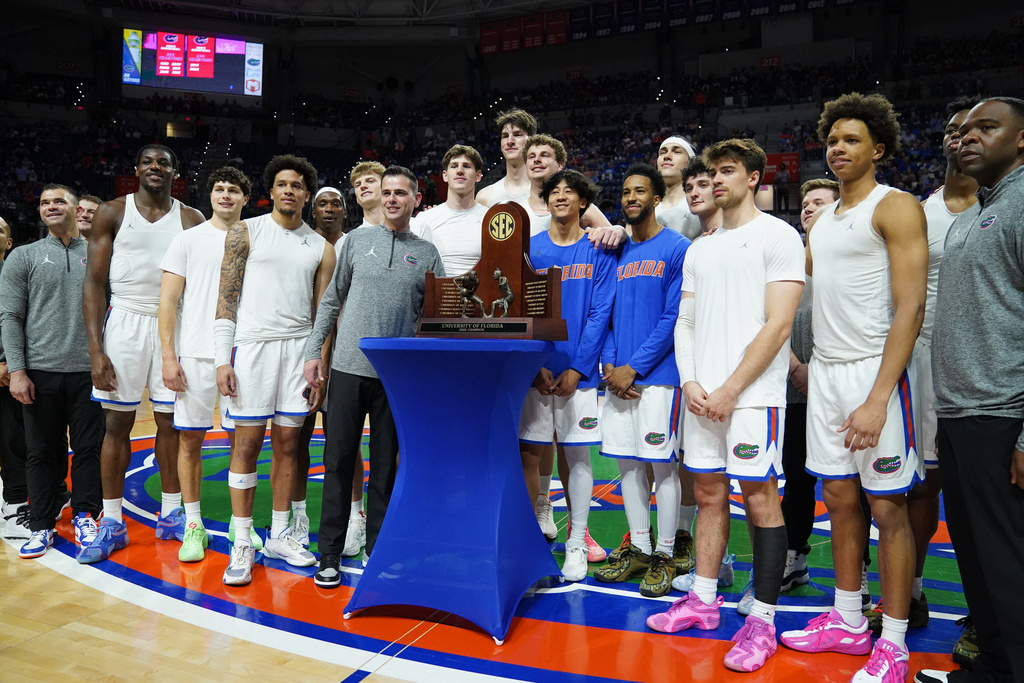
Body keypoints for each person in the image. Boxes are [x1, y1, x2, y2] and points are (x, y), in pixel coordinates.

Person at [779, 93, 928, 683]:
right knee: (839, 501)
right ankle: (846, 620)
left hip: (876, 374)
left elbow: (910, 307)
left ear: (879, 149)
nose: (838, 148)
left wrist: (876, 398)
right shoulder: (824, 223)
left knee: (887, 507)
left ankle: (892, 644)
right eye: (832, 140)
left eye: (851, 140)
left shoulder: (896, 207)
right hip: (828, 375)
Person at [647, 138, 804, 673]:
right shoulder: (700, 248)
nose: (715, 180)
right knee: (709, 494)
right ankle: (704, 600)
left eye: (727, 171)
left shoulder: (779, 235)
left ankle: (762, 619)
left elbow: (778, 324)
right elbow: (684, 323)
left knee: (760, 499)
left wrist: (733, 388)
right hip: (702, 395)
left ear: (755, 177)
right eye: (711, 172)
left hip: (753, 396)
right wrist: (691, 382)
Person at [915, 96, 1024, 683]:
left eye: (987, 127)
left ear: (1022, 138)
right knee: (979, 559)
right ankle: (993, 669)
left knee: (1009, 561)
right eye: (959, 131)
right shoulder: (970, 215)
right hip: (959, 413)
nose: (966, 138)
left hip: (1003, 412)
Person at [867, 97, 982, 638]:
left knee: (980, 492)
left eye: (976, 129)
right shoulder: (919, 208)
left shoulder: (1003, 204)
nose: (961, 137)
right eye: (953, 129)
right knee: (920, 485)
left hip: (987, 363)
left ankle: (989, 612)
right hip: (920, 358)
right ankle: (908, 594)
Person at [303, 166, 444, 588]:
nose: (393, 199)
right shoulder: (355, 242)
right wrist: (314, 352)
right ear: (380, 197)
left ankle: (378, 549)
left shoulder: (428, 253)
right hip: (347, 368)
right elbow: (331, 301)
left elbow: (430, 319)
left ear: (415, 199)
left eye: (401, 193)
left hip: (396, 377)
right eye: (387, 192)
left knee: (385, 467)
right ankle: (328, 552)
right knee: (337, 462)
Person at [80, 144, 206, 563]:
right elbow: (94, 284)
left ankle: (172, 514)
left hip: (176, 326)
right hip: (127, 322)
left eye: (164, 162)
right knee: (117, 424)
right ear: (136, 169)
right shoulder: (113, 212)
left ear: (176, 171)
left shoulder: (191, 218)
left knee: (174, 423)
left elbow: (203, 286)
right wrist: (96, 349)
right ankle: (112, 521)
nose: (156, 167)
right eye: (148, 161)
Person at [214, 154, 335, 586]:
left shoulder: (322, 248)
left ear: (307, 194)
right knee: (245, 446)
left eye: (297, 185)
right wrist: (220, 359)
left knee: (289, 445)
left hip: (298, 354)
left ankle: (281, 534)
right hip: (252, 350)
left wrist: (318, 363)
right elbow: (225, 299)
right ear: (271, 190)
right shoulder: (245, 231)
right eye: (282, 184)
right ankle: (242, 542)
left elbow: (324, 312)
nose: (289, 190)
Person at [593, 163, 690, 598]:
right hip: (617, 378)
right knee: (627, 464)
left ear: (655, 199)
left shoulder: (677, 248)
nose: (631, 198)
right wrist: (612, 367)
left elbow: (674, 318)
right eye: (626, 192)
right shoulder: (616, 254)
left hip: (659, 378)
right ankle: (640, 548)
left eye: (640, 192)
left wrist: (636, 367)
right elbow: (607, 316)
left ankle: (666, 555)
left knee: (662, 465)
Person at [519, 169, 615, 581]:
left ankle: (576, 540)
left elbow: (599, 313)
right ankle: (526, 543)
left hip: (580, 374)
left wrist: (579, 367)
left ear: (582, 202)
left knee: (577, 456)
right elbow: (519, 310)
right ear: (546, 201)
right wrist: (534, 363)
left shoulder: (597, 249)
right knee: (528, 455)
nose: (560, 197)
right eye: (553, 192)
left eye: (569, 192)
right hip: (536, 372)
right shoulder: (529, 250)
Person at [0, 185, 104, 559]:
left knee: (89, 449)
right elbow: (10, 318)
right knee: (40, 451)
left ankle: (86, 517)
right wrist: (17, 370)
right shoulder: (23, 257)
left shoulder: (99, 255)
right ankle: (42, 523)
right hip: (39, 373)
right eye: (44, 202)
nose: (51, 207)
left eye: (59, 201)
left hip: (89, 371)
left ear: (77, 209)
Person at [157, 166, 250, 563]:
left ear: (246, 198)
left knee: (241, 442)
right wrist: (168, 356)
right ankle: (192, 524)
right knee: (190, 439)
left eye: (234, 190)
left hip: (243, 353)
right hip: (194, 351)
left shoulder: (256, 236)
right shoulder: (187, 239)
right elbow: (167, 302)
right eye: (219, 188)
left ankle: (237, 523)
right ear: (209, 195)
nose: (225, 195)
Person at [779, 178, 839, 593]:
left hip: (841, 389)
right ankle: (793, 557)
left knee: (847, 486)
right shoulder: (786, 261)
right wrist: (797, 367)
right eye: (804, 203)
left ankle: (858, 578)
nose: (808, 208)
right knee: (796, 479)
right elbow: (768, 322)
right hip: (794, 389)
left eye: (819, 201)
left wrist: (816, 370)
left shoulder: (856, 257)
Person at [295, 185, 350, 552]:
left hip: (341, 354)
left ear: (345, 211)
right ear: (313, 211)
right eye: (322, 204)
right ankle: (297, 515)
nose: (329, 209)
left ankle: (353, 518)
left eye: (336, 204)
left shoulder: (355, 243)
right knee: (297, 438)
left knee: (340, 443)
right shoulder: (299, 243)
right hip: (301, 349)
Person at [412, 144, 488, 276]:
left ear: (478, 175)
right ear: (445, 176)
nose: (460, 170)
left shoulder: (491, 218)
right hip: (438, 295)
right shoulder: (425, 220)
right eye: (454, 166)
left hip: (479, 294)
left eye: (466, 166)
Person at [0, 215, 30, 541]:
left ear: (9, 243)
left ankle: (14, 506)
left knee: (14, 442)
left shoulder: (17, 276)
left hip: (7, 373)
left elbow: (24, 323)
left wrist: (10, 361)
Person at [476, 109, 536, 209]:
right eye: (505, 136)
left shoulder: (549, 193)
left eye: (517, 135)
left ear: (531, 140)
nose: (510, 141)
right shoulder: (485, 198)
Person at [655, 136, 703, 240]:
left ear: (691, 162)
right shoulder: (646, 204)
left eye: (676, 152)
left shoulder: (704, 198)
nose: (667, 156)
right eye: (663, 152)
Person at [351, 161, 386, 228]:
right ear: (357, 199)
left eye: (370, 181)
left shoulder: (411, 226)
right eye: (358, 185)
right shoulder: (351, 237)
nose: (362, 186)